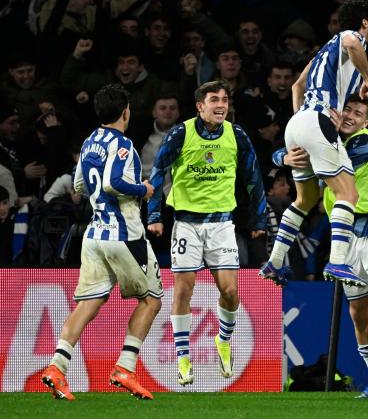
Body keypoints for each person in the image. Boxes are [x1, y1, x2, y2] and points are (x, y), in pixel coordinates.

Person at [277, 94, 368, 399]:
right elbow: (306, 156)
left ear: (367, 121)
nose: (351, 116)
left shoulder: (363, 143)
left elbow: (321, 166)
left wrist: (288, 158)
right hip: (347, 237)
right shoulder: (329, 142)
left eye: (358, 113)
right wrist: (284, 157)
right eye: (347, 110)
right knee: (358, 313)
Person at [40, 84, 161, 401]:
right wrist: (143, 189)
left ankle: (57, 366)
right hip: (124, 234)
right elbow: (114, 181)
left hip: (94, 235)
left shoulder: (90, 141)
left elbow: (79, 185)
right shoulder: (123, 144)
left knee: (88, 303)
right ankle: (125, 367)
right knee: (151, 299)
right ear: (126, 112)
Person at [147, 80, 267, 386]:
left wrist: (258, 219)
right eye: (214, 100)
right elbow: (158, 173)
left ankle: (223, 340)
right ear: (200, 106)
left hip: (222, 225)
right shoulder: (181, 133)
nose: (220, 105)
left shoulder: (236, 135)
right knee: (183, 290)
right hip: (186, 223)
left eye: (224, 100)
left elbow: (253, 177)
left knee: (230, 291)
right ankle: (183, 356)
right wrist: (156, 214)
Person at [259, 0, 368, 287]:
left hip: (298, 121)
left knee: (306, 199)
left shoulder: (324, 51)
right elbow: (353, 43)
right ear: (363, 22)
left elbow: (296, 86)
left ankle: (274, 263)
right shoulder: (350, 37)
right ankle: (337, 261)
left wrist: (302, 122)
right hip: (316, 120)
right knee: (348, 194)